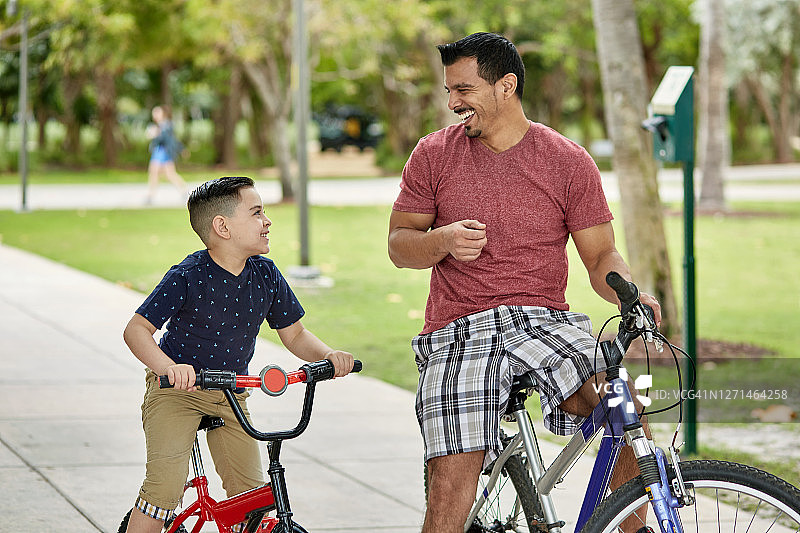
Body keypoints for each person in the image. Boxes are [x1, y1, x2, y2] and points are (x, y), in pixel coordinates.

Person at [387, 32, 661, 533]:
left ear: (506, 86)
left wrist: (629, 293)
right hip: (459, 329)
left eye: (464, 90)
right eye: (449, 90)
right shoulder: (433, 154)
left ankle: (631, 526)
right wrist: (442, 240)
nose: (452, 103)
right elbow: (399, 244)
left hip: (543, 323)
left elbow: (600, 255)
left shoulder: (567, 160)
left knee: (626, 408)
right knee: (452, 480)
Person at [123, 176, 355, 533]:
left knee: (251, 499)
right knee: (164, 490)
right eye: (256, 212)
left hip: (231, 394)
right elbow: (136, 330)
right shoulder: (188, 276)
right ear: (223, 227)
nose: (267, 221)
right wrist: (169, 368)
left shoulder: (266, 275)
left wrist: (328, 355)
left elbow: (294, 334)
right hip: (177, 393)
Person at [145, 105, 188, 204]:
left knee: (164, 173)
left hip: (163, 152)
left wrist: (155, 134)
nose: (155, 115)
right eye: (154, 113)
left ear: (162, 114)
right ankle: (184, 191)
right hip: (158, 152)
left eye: (157, 112)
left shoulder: (166, 125)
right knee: (159, 173)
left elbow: (169, 140)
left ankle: (151, 195)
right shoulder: (159, 126)